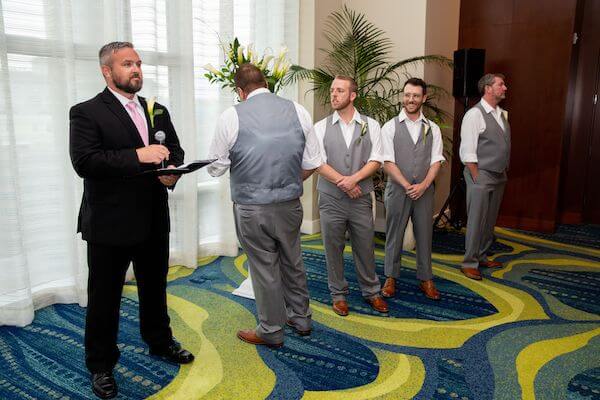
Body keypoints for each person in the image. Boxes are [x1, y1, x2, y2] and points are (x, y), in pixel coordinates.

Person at [69, 41, 194, 399]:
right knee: (104, 297)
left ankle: (159, 341)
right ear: (107, 71)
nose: (136, 69)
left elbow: (175, 151)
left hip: (153, 218)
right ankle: (101, 365)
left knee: (155, 288)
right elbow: (86, 162)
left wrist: (172, 173)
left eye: (138, 63)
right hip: (110, 222)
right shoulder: (87, 112)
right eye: (127, 64)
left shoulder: (156, 109)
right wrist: (138, 156)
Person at [207, 63, 322, 348]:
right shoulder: (298, 110)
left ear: (240, 91)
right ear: (266, 83)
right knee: (292, 259)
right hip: (290, 203)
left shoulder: (231, 116)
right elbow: (312, 162)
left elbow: (216, 167)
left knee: (264, 267)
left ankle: (271, 330)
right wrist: (288, 181)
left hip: (251, 208)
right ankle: (301, 318)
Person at [313, 76, 388, 317]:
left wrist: (353, 180)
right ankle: (338, 294)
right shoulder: (320, 127)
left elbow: (377, 159)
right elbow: (317, 163)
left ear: (353, 95)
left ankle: (371, 291)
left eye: (340, 91)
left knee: (365, 246)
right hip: (330, 199)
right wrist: (343, 183)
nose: (334, 95)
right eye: (332, 90)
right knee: (332, 247)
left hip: (360, 198)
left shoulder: (371, 125)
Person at [380, 78, 445, 300]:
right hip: (398, 190)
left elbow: (436, 161)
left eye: (416, 96)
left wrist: (424, 185)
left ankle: (426, 278)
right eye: (407, 95)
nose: (411, 99)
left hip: (424, 191)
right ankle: (390, 277)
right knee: (394, 234)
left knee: (425, 235)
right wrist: (408, 186)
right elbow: (387, 162)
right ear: (403, 96)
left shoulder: (432, 128)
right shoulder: (389, 127)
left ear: (423, 98)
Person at [459, 73, 510, 280]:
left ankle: (481, 256)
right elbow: (468, 150)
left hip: (499, 175)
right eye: (501, 84)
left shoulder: (501, 114)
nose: (505, 88)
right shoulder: (474, 114)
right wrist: (476, 176)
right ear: (488, 88)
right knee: (476, 220)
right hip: (480, 174)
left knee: (489, 221)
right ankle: (469, 262)